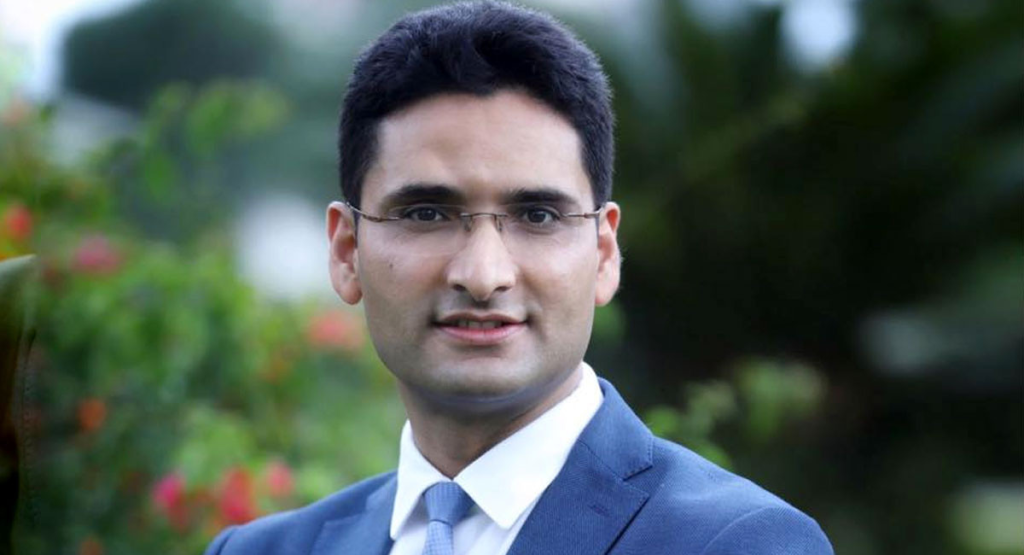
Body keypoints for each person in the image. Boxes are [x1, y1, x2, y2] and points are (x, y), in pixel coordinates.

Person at [205, 2, 834, 554]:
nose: (483, 275)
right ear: (347, 251)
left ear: (604, 253)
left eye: (537, 216)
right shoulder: (259, 551)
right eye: (427, 214)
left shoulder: (740, 544)